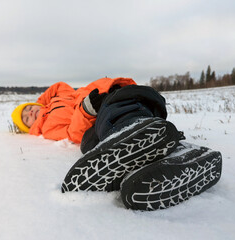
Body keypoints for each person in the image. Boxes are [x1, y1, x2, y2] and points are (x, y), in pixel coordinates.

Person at [12, 77, 222, 211]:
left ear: (36, 102)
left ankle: (136, 129)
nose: (30, 113)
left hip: (113, 99)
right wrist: (85, 112)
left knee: (117, 112)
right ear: (28, 127)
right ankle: (174, 157)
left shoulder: (61, 95)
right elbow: (71, 133)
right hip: (96, 125)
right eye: (26, 118)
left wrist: (49, 101)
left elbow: (57, 86)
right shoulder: (47, 127)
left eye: (28, 109)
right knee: (89, 143)